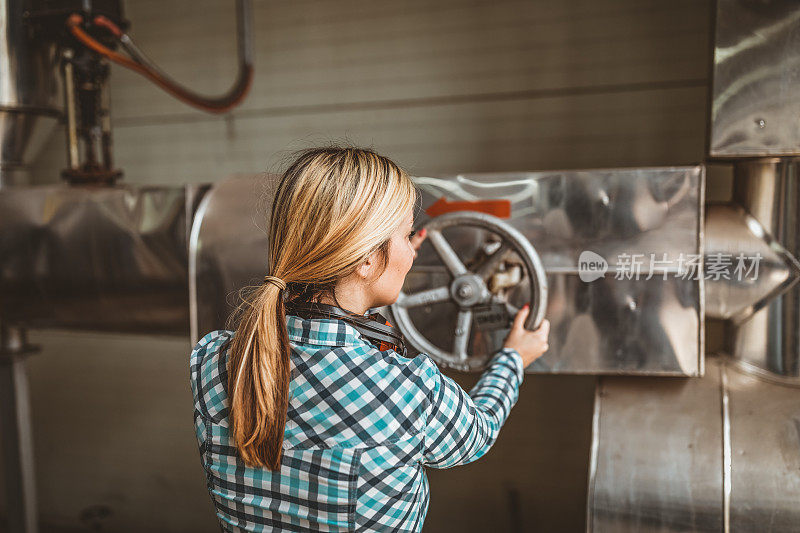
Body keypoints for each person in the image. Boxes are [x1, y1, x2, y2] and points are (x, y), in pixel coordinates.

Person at [189, 146, 550, 532]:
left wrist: (385, 263)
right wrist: (513, 358)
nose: (411, 256)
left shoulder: (214, 359)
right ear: (364, 260)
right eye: (405, 236)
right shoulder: (409, 390)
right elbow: (477, 432)